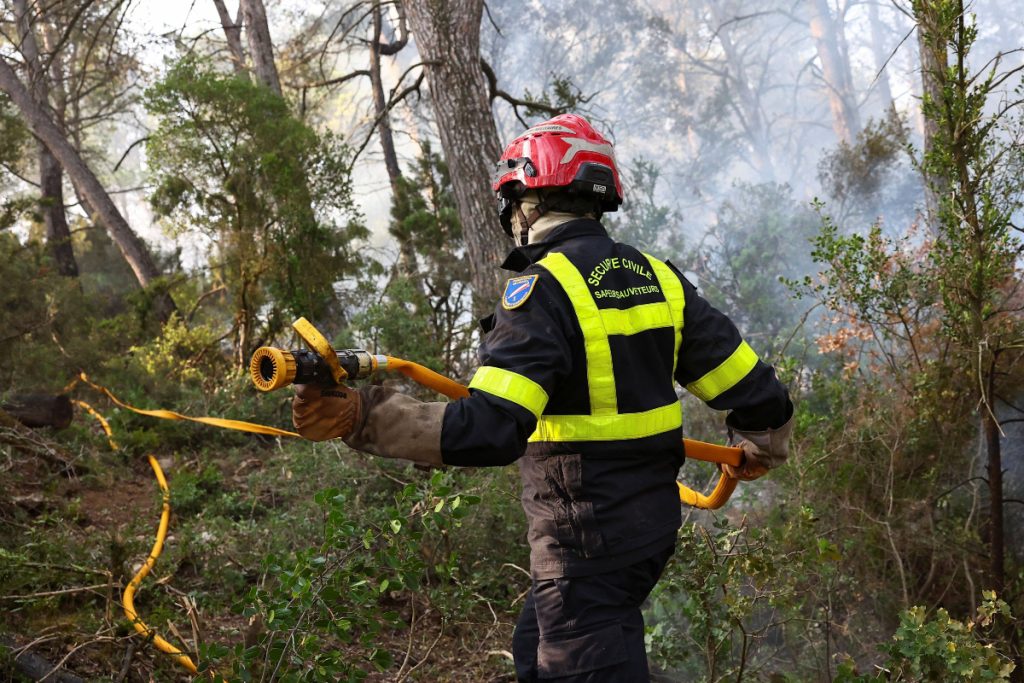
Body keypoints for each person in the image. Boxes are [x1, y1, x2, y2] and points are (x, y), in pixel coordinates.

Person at [291, 114, 794, 682]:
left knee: (581, 665)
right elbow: (758, 392)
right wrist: (761, 444)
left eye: (512, 202)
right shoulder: (659, 279)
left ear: (529, 201)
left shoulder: (542, 289)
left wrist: (360, 417)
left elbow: (491, 428)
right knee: (535, 653)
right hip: (647, 529)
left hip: (587, 539)